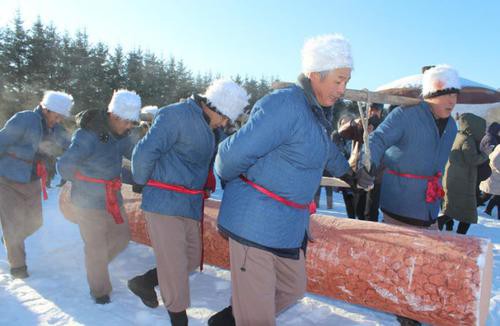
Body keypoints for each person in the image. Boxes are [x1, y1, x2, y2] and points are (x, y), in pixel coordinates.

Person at [208, 34, 356, 326]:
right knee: (259, 317)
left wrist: (348, 172)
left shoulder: (317, 113)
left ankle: (233, 318)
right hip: (256, 222)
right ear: (315, 74)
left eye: (346, 81)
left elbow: (323, 148)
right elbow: (228, 157)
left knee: (291, 288)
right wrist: (238, 184)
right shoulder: (286, 105)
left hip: (288, 224)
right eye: (338, 80)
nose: (343, 90)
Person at [131, 80, 249, 326]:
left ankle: (144, 281)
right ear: (215, 106)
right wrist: (140, 181)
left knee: (192, 258)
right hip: (163, 200)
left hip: (189, 202)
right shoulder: (175, 115)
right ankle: (178, 319)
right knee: (173, 265)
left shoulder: (210, 127)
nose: (226, 123)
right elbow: (144, 151)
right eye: (226, 117)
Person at [358, 65, 461, 325]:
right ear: (428, 94)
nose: (451, 100)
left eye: (454, 94)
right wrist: (366, 165)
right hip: (400, 199)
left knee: (427, 258)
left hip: (428, 202)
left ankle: (416, 304)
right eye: (444, 93)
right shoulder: (406, 114)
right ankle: (405, 312)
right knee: (403, 260)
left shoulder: (452, 127)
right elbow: (378, 140)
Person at [57, 90, 142, 304]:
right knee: (95, 247)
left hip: (112, 198)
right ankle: (99, 290)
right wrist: (84, 181)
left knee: (121, 238)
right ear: (114, 116)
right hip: (87, 202)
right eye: (128, 122)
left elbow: (135, 152)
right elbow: (64, 166)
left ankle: (96, 266)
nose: (130, 126)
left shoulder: (120, 134)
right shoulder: (87, 135)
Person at [0, 91, 73, 279]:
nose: (58, 120)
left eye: (61, 117)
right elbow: (2, 140)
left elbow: (72, 144)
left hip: (32, 181)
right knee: (13, 225)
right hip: (8, 179)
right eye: (57, 115)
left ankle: (10, 239)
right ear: (46, 109)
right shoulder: (25, 119)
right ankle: (18, 267)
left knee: (35, 222)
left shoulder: (55, 128)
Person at [438, 113, 488, 234]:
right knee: (468, 213)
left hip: (455, 178)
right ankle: (459, 236)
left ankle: (447, 228)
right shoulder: (467, 140)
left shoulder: (459, 135)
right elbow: (472, 160)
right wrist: (486, 153)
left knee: (452, 208)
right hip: (462, 181)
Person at [480, 145, 500, 219]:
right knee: (485, 196)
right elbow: (494, 160)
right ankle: (470, 207)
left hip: (496, 178)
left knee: (497, 197)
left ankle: (488, 211)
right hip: (494, 177)